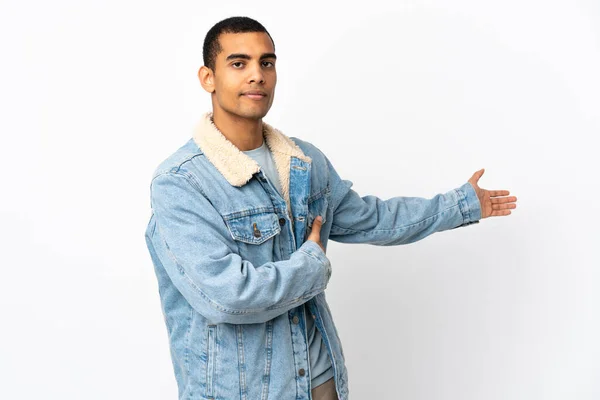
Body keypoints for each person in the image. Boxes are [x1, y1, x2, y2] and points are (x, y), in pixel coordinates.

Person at [144, 16, 517, 400]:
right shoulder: (181, 183)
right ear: (208, 78)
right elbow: (226, 297)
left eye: (266, 63)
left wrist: (460, 205)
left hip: (321, 382)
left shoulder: (302, 161)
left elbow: (373, 220)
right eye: (239, 64)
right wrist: (310, 264)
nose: (257, 75)